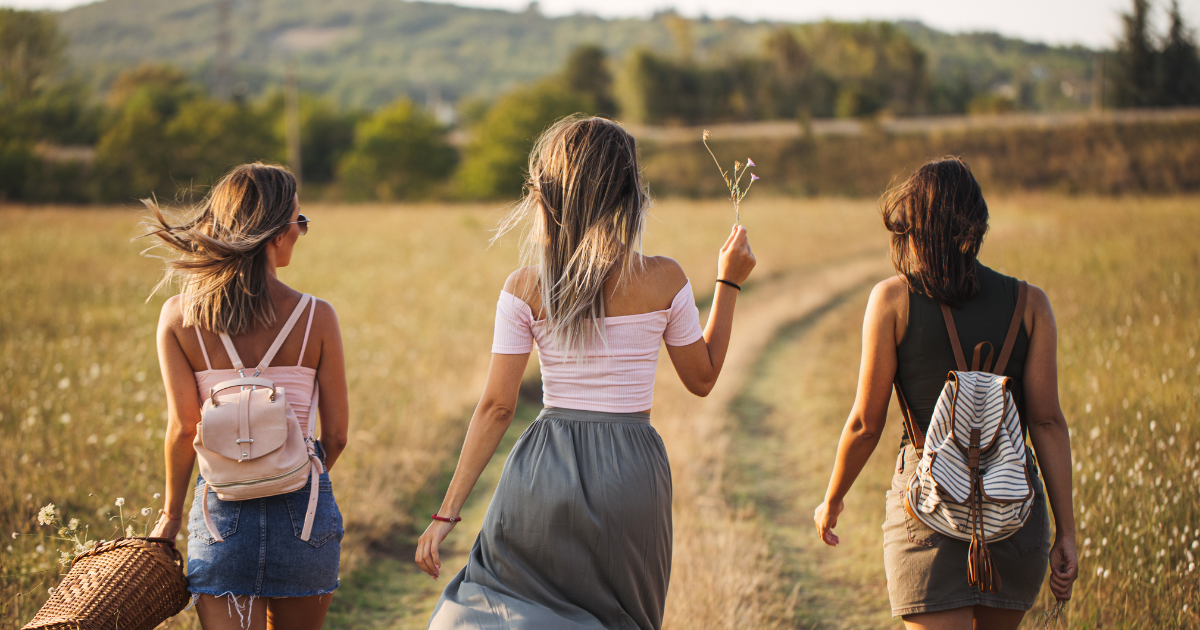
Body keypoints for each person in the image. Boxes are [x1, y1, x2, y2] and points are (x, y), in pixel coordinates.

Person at [416, 115, 756, 629]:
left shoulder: (524, 286)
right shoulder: (664, 277)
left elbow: (497, 407)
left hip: (542, 473)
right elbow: (703, 378)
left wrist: (446, 515)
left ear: (547, 194)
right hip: (633, 475)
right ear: (629, 194)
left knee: (503, 606)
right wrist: (727, 283)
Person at [812, 157, 1079, 629]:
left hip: (927, 508)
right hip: (1012, 509)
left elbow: (864, 424)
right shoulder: (1031, 304)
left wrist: (832, 500)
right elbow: (1047, 423)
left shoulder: (892, 300)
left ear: (914, 228)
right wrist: (1067, 533)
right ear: (976, 224)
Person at [145, 163, 349, 630]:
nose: (302, 231)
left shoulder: (178, 317)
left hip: (220, 521)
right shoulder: (317, 317)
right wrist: (290, 474)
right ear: (278, 234)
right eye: (301, 221)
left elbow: (184, 430)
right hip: (304, 519)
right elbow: (335, 435)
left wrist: (170, 517)